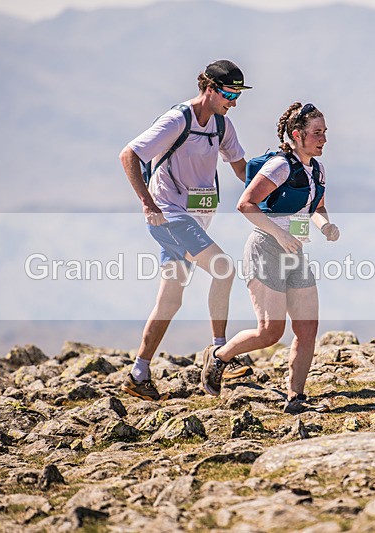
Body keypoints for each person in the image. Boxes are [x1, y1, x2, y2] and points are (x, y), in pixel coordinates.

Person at [118, 59, 254, 401]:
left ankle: (139, 373)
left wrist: (277, 177)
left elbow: (241, 169)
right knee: (224, 268)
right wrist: (148, 204)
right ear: (208, 88)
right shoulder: (178, 119)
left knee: (170, 300)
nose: (233, 101)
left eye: (238, 94)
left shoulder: (222, 125)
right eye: (228, 93)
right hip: (170, 217)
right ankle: (220, 353)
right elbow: (129, 155)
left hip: (195, 220)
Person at [200, 102, 340, 414]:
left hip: (295, 252)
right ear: (297, 135)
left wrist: (326, 225)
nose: (324, 139)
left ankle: (296, 399)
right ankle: (219, 356)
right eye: (317, 133)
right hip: (265, 247)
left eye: (325, 132)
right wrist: (279, 234)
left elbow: (315, 208)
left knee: (307, 328)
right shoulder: (279, 166)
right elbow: (246, 203)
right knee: (270, 332)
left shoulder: (317, 170)